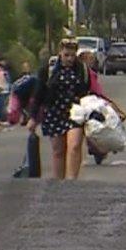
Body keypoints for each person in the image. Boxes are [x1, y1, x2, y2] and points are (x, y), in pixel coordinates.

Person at [27, 38, 94, 179]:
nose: (69, 59)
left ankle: (71, 182)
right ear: (60, 53)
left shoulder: (82, 69)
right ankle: (58, 185)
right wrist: (33, 118)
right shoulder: (49, 70)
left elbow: (89, 91)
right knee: (58, 151)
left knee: (74, 146)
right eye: (66, 55)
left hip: (76, 113)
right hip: (54, 113)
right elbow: (38, 93)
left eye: (72, 55)